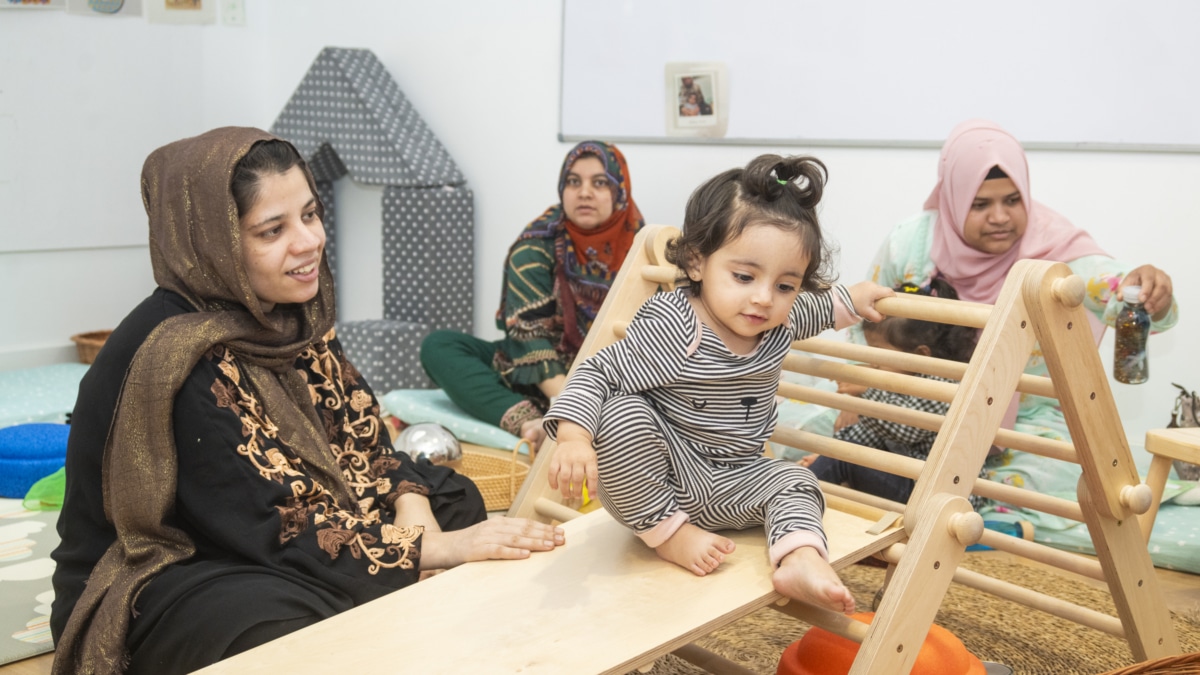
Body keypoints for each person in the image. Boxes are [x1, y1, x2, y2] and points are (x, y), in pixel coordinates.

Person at [49, 128, 564, 675]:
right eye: (273, 230)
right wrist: (434, 552)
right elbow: (274, 525)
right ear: (213, 243)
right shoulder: (176, 357)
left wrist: (418, 520)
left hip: (266, 529)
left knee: (453, 499)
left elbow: (367, 445)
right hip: (178, 563)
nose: (308, 242)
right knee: (278, 626)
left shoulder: (292, 315)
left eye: (310, 215)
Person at [542, 154, 893, 613]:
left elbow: (820, 308)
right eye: (744, 276)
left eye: (786, 285)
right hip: (664, 475)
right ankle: (667, 532)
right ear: (696, 262)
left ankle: (800, 557)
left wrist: (855, 298)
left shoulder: (776, 320)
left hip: (738, 479)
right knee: (622, 414)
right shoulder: (675, 327)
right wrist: (573, 436)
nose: (764, 298)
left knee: (795, 479)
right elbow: (599, 371)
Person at [858, 118, 1178, 508]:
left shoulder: (1055, 248)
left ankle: (955, 503)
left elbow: (1117, 289)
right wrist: (866, 389)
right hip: (918, 404)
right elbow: (867, 322)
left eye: (1013, 200)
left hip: (1026, 415)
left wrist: (1147, 288)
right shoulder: (912, 241)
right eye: (980, 204)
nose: (1000, 217)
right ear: (953, 199)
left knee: (1060, 476)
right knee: (817, 423)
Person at [420, 141, 643, 451]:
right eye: (573, 181)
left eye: (600, 182)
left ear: (620, 190)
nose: (584, 192)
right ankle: (529, 422)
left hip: (612, 381)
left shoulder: (642, 250)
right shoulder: (535, 246)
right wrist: (571, 410)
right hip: (535, 378)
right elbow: (529, 336)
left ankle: (578, 416)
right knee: (439, 347)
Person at [803, 279, 980, 504]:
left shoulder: (943, 386)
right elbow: (870, 435)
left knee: (843, 459)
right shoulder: (894, 382)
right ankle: (804, 490)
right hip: (907, 477)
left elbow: (904, 429)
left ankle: (792, 506)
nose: (873, 361)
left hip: (934, 493)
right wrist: (827, 454)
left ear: (920, 355)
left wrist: (867, 391)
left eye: (879, 353)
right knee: (841, 454)